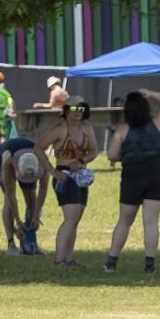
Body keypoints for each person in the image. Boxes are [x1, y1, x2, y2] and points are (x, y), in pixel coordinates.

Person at [101, 88, 160, 275]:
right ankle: (150, 265)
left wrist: (126, 155)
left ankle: (111, 262)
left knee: (125, 220)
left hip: (132, 175)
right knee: (151, 221)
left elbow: (111, 155)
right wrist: (151, 93)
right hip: (157, 173)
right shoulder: (159, 123)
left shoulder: (122, 130)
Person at [44, 99, 101, 266]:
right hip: (65, 176)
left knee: (76, 218)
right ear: (67, 110)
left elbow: (94, 150)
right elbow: (39, 148)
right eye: (74, 108)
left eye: (81, 109)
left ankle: (68, 258)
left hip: (80, 175)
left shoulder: (86, 127)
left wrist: (82, 161)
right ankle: (59, 259)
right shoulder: (59, 129)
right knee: (70, 218)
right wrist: (53, 171)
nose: (77, 112)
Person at [0, 122, 47, 254]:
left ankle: (31, 243)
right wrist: (18, 220)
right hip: (5, 159)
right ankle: (11, 244)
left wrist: (36, 216)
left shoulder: (43, 161)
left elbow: (43, 189)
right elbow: (10, 193)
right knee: (8, 202)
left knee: (32, 200)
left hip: (27, 159)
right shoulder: (7, 159)